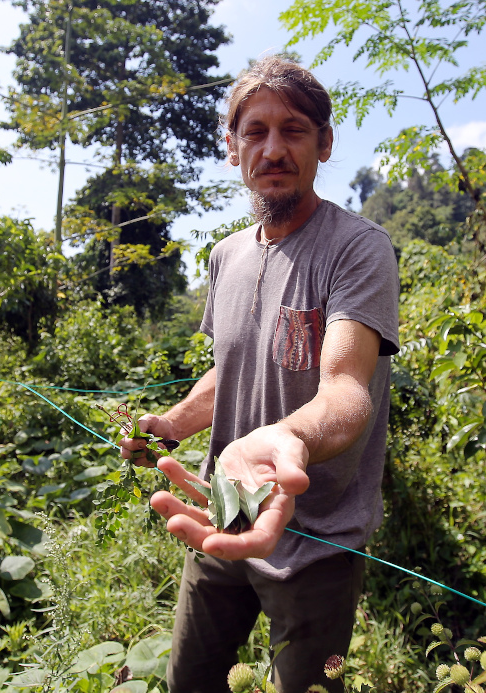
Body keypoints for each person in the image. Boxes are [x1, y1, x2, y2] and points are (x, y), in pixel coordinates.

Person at [120, 55, 399, 693]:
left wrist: (291, 440)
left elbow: (348, 386)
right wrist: (167, 426)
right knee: (187, 682)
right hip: (227, 508)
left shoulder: (358, 248)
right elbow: (228, 372)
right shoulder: (225, 255)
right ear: (233, 147)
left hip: (319, 539)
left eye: (294, 129)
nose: (273, 148)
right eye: (256, 131)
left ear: (324, 143)